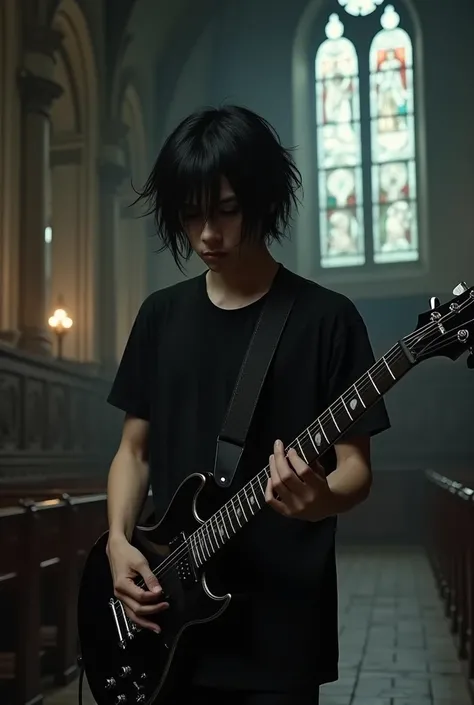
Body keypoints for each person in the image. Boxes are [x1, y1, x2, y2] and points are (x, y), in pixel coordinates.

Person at [105, 104, 391, 705]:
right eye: (191, 216)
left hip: (280, 631)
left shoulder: (327, 320)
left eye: (227, 212)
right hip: (169, 618)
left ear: (262, 200)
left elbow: (357, 468)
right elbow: (133, 452)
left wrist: (324, 499)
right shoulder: (161, 316)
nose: (208, 234)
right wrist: (116, 540)